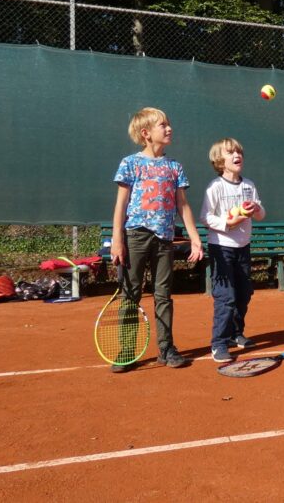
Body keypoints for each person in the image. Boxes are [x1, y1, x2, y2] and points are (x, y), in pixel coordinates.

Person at [109, 107, 204, 373]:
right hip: (135, 236)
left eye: (169, 123)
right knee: (131, 295)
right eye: (163, 125)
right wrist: (118, 240)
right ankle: (127, 351)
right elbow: (121, 204)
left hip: (165, 239)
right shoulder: (130, 163)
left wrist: (195, 239)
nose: (169, 128)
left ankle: (166, 349)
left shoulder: (175, 167)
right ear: (146, 133)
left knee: (164, 295)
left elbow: (183, 206)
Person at [200, 137, 266, 363]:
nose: (237, 156)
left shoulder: (249, 185)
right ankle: (219, 342)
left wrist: (256, 208)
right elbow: (205, 217)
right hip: (221, 248)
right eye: (230, 153)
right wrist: (228, 222)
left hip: (243, 248)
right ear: (219, 161)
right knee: (225, 296)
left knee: (244, 293)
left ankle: (235, 333)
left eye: (239, 152)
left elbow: (260, 214)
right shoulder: (215, 187)